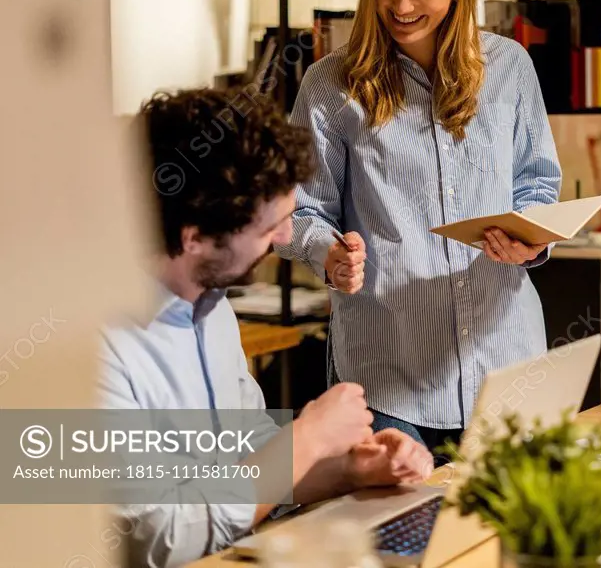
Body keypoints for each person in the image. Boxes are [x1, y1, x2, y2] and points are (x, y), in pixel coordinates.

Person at [97, 88, 434, 567]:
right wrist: (309, 438)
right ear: (194, 237)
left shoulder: (210, 307)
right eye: (268, 227)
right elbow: (157, 536)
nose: (284, 239)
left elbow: (249, 461)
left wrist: (349, 471)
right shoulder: (94, 346)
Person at [276, 0, 562, 453]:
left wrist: (529, 239)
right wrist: (328, 255)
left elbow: (536, 184)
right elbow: (296, 209)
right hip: (388, 379)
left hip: (506, 366)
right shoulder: (330, 85)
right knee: (400, 539)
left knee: (510, 537)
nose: (402, 5)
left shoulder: (509, 68)